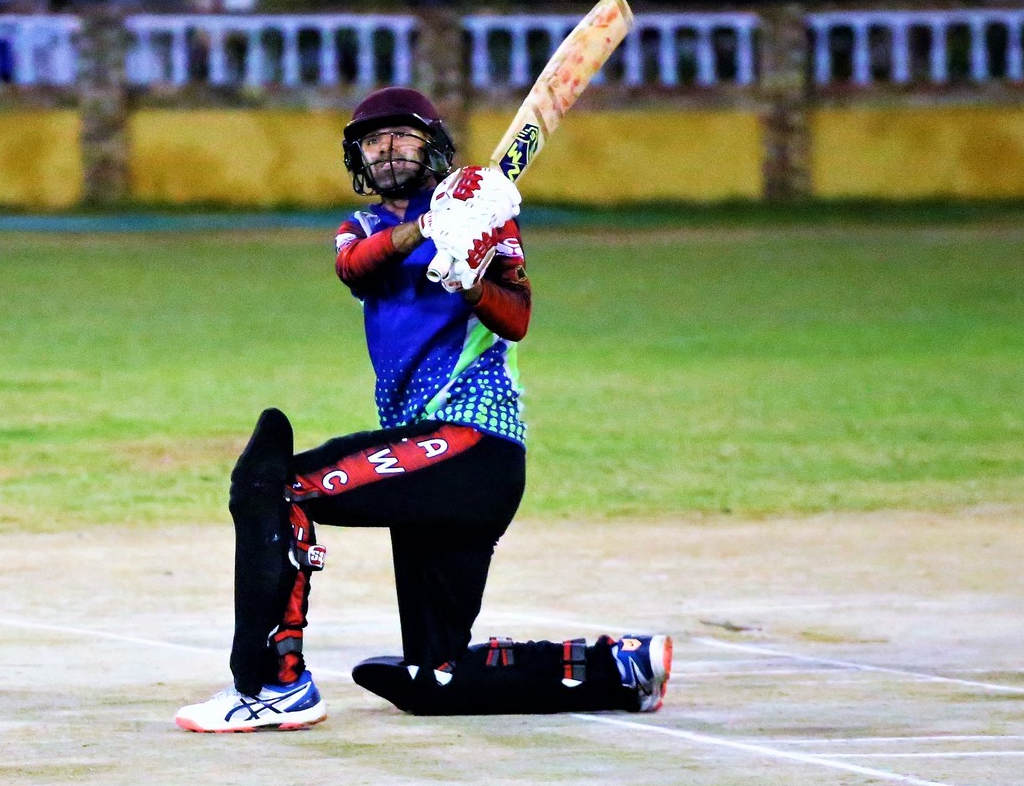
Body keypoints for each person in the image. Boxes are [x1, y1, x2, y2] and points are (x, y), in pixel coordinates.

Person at [174, 87, 672, 732]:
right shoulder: (362, 228)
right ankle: (623, 667)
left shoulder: (487, 218)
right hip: (427, 462)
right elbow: (356, 268)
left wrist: (470, 279)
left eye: (401, 136)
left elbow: (517, 319)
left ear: (431, 144)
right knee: (435, 680)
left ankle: (274, 683)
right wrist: (431, 227)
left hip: (472, 443)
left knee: (276, 487)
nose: (386, 150)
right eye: (372, 141)